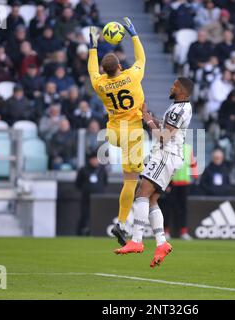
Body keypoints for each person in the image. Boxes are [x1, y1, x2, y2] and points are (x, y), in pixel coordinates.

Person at [114, 78, 193, 269]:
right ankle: (161, 243)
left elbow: (165, 137)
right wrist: (147, 116)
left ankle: (137, 240)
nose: (171, 86)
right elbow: (167, 127)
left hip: (165, 155)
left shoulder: (178, 110)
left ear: (182, 90)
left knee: (142, 193)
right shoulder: (179, 107)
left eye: (174, 85)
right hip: (168, 156)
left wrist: (148, 121)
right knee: (151, 200)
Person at [88, 18, 146, 246]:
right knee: (132, 181)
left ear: (105, 70)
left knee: (130, 177)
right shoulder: (131, 77)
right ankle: (122, 224)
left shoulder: (100, 84)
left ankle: (123, 224)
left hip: (113, 132)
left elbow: (92, 70)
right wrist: (134, 34)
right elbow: (141, 58)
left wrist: (92, 47)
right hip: (132, 132)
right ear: (120, 66)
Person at [162, 144, 198, 241]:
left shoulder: (188, 148)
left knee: (183, 209)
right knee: (167, 209)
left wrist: (195, 178)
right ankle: (165, 232)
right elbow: (165, 165)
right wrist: (166, 183)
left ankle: (183, 232)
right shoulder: (168, 147)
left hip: (185, 183)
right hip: (172, 183)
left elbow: (193, 163)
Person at [75, 151, 108, 235]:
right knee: (85, 216)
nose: (95, 161)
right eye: (93, 159)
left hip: (99, 198)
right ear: (89, 160)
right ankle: (81, 233)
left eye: (96, 159)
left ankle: (98, 232)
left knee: (98, 215)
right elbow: (78, 183)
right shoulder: (83, 169)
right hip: (86, 198)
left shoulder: (102, 169)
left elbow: (105, 182)